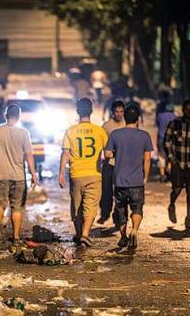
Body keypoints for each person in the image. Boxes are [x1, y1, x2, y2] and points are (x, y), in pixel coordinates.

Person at [58, 98, 109, 247]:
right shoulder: (100, 131)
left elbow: (65, 154)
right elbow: (108, 153)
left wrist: (61, 174)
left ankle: (80, 234)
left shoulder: (71, 130)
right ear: (91, 111)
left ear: (77, 111)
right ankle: (85, 234)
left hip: (76, 174)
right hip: (94, 174)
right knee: (90, 206)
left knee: (77, 206)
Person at [0, 104, 37, 246]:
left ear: (5, 114)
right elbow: (29, 155)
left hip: (0, 174)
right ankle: (15, 238)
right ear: (19, 116)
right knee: (16, 207)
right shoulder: (24, 132)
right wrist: (33, 174)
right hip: (19, 176)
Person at [104, 104, 153, 248]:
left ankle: (124, 237)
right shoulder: (144, 136)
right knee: (137, 208)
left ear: (124, 118)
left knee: (120, 210)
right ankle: (134, 230)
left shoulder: (115, 134)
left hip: (119, 181)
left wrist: (117, 153)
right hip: (137, 181)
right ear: (137, 119)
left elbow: (107, 154)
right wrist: (145, 177)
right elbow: (147, 159)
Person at [163, 100, 190, 231]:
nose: (189, 112)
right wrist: (171, 158)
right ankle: (171, 205)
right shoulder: (174, 124)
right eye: (187, 109)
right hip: (177, 163)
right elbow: (166, 141)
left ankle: (188, 218)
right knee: (177, 189)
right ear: (183, 110)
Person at [97, 100, 125, 224]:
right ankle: (104, 213)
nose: (119, 114)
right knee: (106, 190)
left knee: (121, 191)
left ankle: (118, 217)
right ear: (112, 112)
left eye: (121, 112)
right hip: (109, 163)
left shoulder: (127, 124)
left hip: (123, 163)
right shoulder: (106, 126)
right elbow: (101, 146)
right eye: (117, 112)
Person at [156, 103, 177, 182]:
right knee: (170, 156)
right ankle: (169, 172)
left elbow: (158, 126)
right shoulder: (175, 117)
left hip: (161, 138)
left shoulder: (160, 116)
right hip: (171, 139)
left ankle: (162, 175)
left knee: (161, 157)